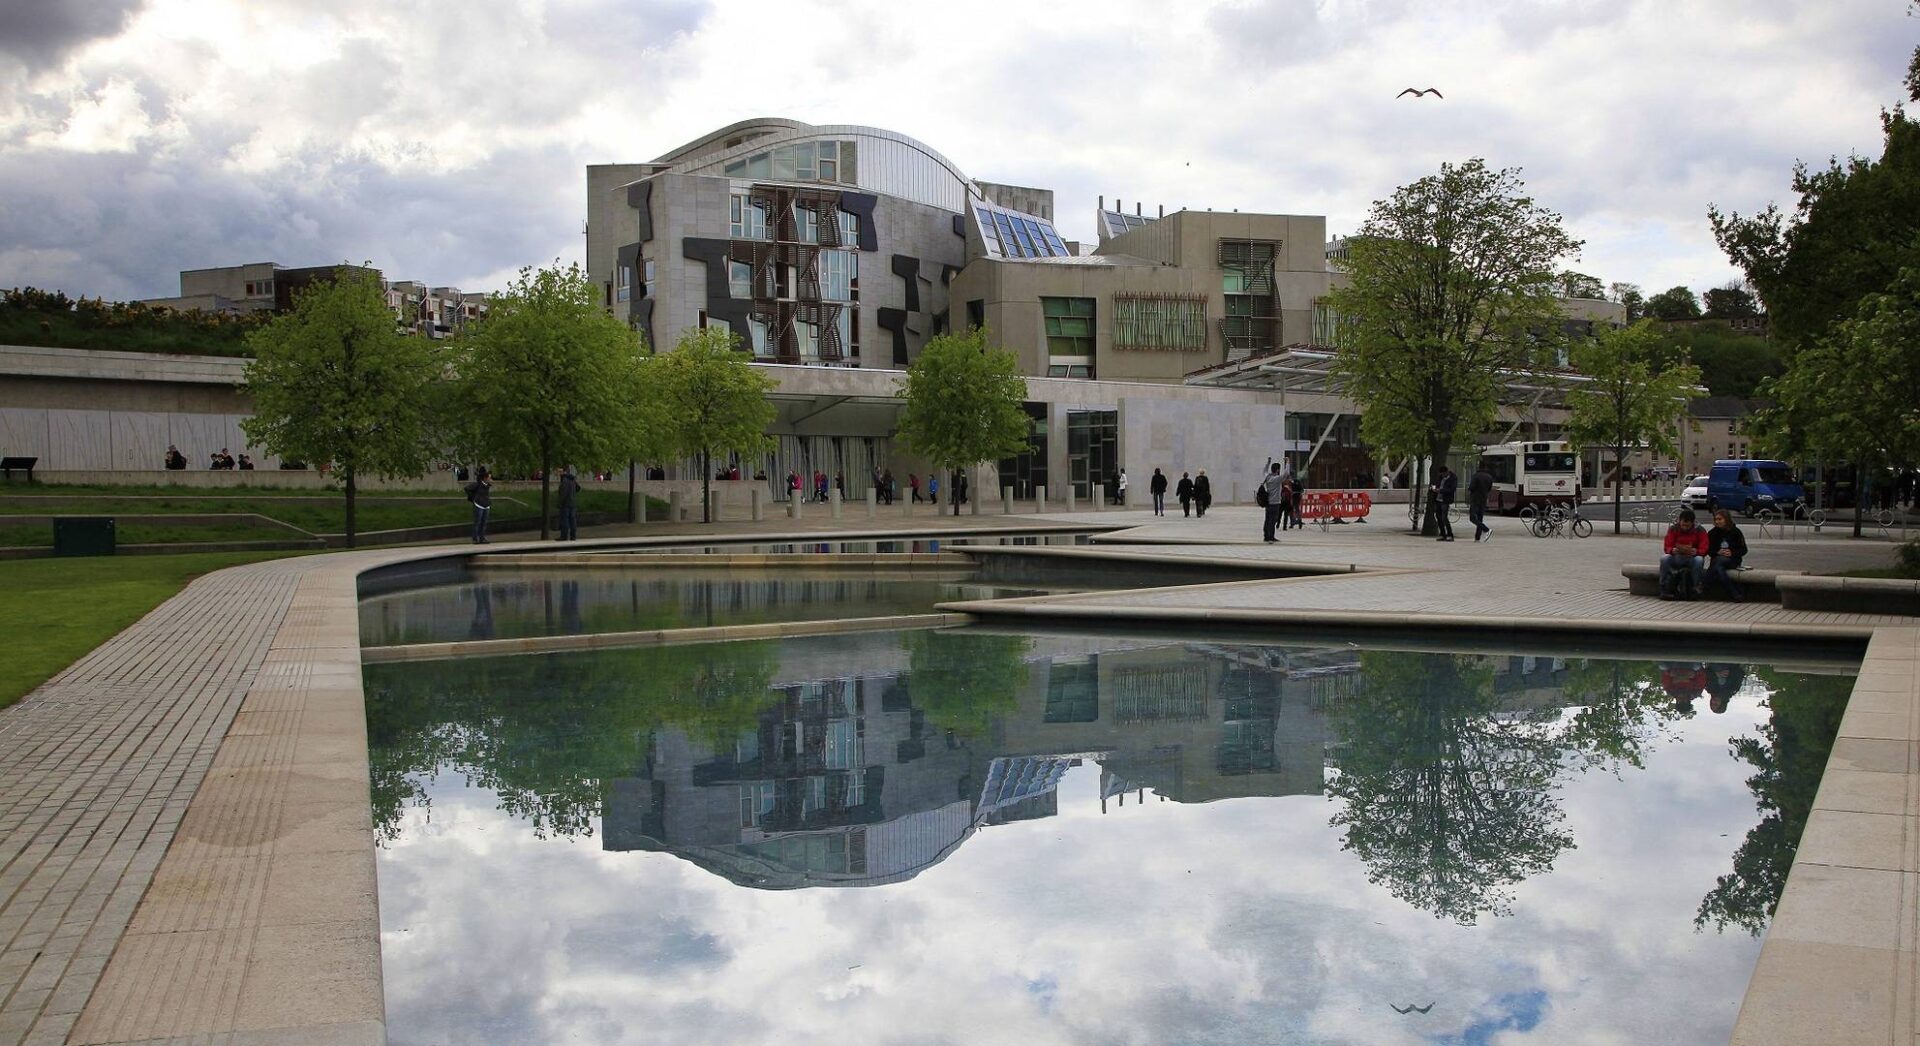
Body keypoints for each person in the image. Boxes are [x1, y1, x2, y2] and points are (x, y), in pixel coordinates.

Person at [1660, 508, 1710, 599]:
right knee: (1664, 558)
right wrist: (1672, 550)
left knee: (1699, 560)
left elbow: (1704, 548)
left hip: (1692, 558)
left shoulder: (1700, 530)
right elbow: (1667, 546)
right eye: (1683, 525)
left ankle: (1695, 588)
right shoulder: (1673, 529)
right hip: (1677, 557)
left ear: (1692, 523)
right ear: (1680, 521)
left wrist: (1697, 551)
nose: (1685, 528)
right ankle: (1664, 588)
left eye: (1687, 526)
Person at [1705, 509, 1749, 601]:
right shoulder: (1712, 533)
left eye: (1720, 519)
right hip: (1717, 560)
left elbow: (1744, 550)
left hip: (1733, 560)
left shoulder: (1736, 532)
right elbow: (1709, 550)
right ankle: (1734, 593)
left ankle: (1703, 586)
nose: (1717, 522)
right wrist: (1717, 552)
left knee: (1718, 562)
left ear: (1726, 519)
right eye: (1716, 519)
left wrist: (1732, 552)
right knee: (1719, 568)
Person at [1260, 462, 1288, 543]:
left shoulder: (1267, 477)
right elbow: (1286, 474)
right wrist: (1287, 463)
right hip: (1275, 503)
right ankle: (1271, 537)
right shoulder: (1277, 479)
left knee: (1267, 520)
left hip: (1268, 502)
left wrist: (1268, 463)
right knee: (1273, 520)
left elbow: (1264, 471)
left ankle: (1266, 536)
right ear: (1278, 470)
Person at [464, 467, 492, 544]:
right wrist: (473, 498)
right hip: (478, 505)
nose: (490, 479)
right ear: (485, 478)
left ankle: (482, 538)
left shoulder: (488, 485)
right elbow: (466, 488)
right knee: (477, 522)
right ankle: (475, 538)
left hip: (486, 505)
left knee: (484, 523)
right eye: (489, 478)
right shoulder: (478, 484)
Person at [1467, 462, 1493, 542]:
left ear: (1479, 466)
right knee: (1480, 518)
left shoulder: (1476, 476)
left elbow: (1471, 487)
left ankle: (1486, 529)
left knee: (1472, 518)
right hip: (1484, 498)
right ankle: (1477, 537)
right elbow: (1489, 488)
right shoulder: (1489, 477)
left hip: (1475, 499)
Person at [1431, 464, 1458, 541]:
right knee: (1438, 517)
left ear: (1446, 472)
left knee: (1444, 517)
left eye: (1443, 474)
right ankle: (1442, 534)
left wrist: (1441, 490)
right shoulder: (1440, 477)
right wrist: (1434, 488)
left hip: (1445, 500)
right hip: (1438, 499)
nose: (1442, 476)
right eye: (1441, 474)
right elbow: (1436, 484)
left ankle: (1450, 534)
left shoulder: (1453, 478)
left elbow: (1452, 489)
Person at [557, 465, 579, 541]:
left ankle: (564, 536)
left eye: (560, 471)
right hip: (572, 502)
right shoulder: (572, 479)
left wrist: (560, 502)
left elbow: (563, 493)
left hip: (565, 503)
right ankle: (573, 536)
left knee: (565, 520)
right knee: (572, 520)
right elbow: (578, 488)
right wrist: (573, 493)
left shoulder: (564, 480)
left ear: (564, 471)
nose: (559, 473)